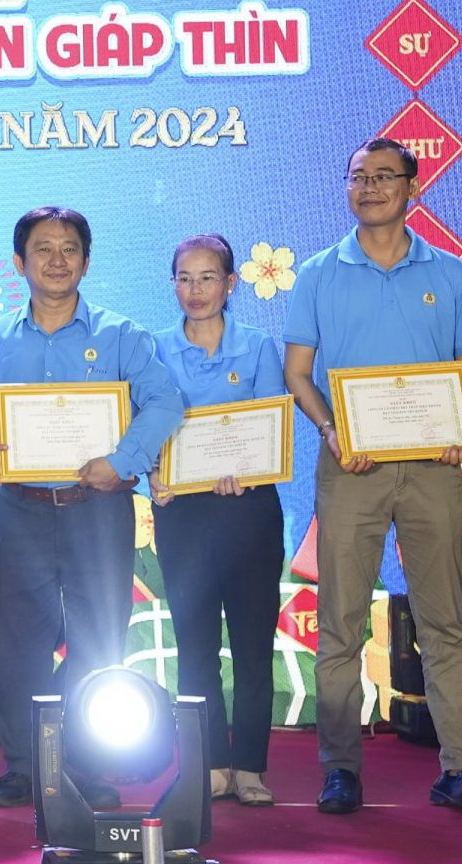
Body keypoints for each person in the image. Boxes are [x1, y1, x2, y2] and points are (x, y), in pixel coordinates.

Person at [284, 138, 462, 817]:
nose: (371, 187)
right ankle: (340, 769)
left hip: (433, 469)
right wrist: (330, 429)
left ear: (414, 186)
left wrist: (457, 425)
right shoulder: (318, 274)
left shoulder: (451, 274)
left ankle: (460, 769)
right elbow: (297, 373)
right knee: (341, 623)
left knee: (444, 621)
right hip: (350, 465)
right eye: (359, 177)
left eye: (385, 176)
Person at [0, 206, 184, 810]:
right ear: (19, 263)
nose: (56, 260)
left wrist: (122, 461)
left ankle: (87, 763)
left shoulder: (121, 336)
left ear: (87, 262)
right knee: (18, 644)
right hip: (18, 510)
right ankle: (24, 767)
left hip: (98, 508)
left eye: (69, 248)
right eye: (42, 249)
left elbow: (165, 402)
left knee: (98, 639)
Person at [148, 235, 287, 807]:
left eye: (208, 278)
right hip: (183, 514)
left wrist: (248, 469)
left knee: (253, 646)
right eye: (184, 278)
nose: (195, 290)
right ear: (173, 284)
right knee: (195, 647)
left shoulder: (258, 347)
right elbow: (145, 425)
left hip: (248, 511)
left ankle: (250, 767)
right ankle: (208, 765)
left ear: (231, 284)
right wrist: (154, 472)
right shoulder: (153, 349)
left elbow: (270, 428)